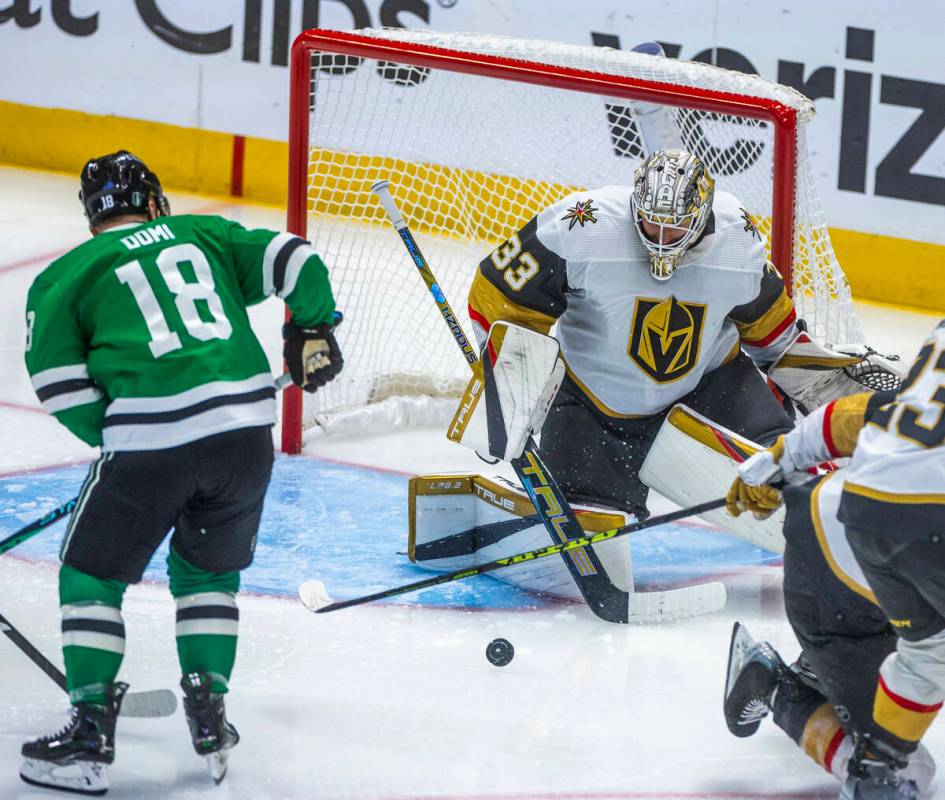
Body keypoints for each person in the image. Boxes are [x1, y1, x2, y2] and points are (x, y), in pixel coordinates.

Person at [19, 150, 342, 794]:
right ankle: (210, 713)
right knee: (208, 574)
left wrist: (119, 433)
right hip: (246, 442)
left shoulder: (64, 276)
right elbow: (296, 258)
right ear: (156, 201)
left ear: (92, 219)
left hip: (150, 449)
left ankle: (88, 733)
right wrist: (312, 328)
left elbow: (56, 380)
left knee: (91, 574)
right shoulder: (208, 234)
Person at [467, 147, 800, 520]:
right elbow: (498, 296)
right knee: (591, 521)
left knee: (789, 471)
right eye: (650, 222)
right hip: (593, 406)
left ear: (701, 215)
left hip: (711, 389)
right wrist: (507, 395)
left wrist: (812, 384)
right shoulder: (580, 225)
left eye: (673, 225)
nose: (659, 236)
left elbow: (774, 331)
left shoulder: (737, 240)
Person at [725, 319, 945, 799]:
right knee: (903, 780)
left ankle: (822, 667)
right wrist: (879, 764)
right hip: (840, 578)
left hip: (840, 523)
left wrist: (781, 457)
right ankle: (778, 684)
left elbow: (873, 412)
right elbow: (930, 659)